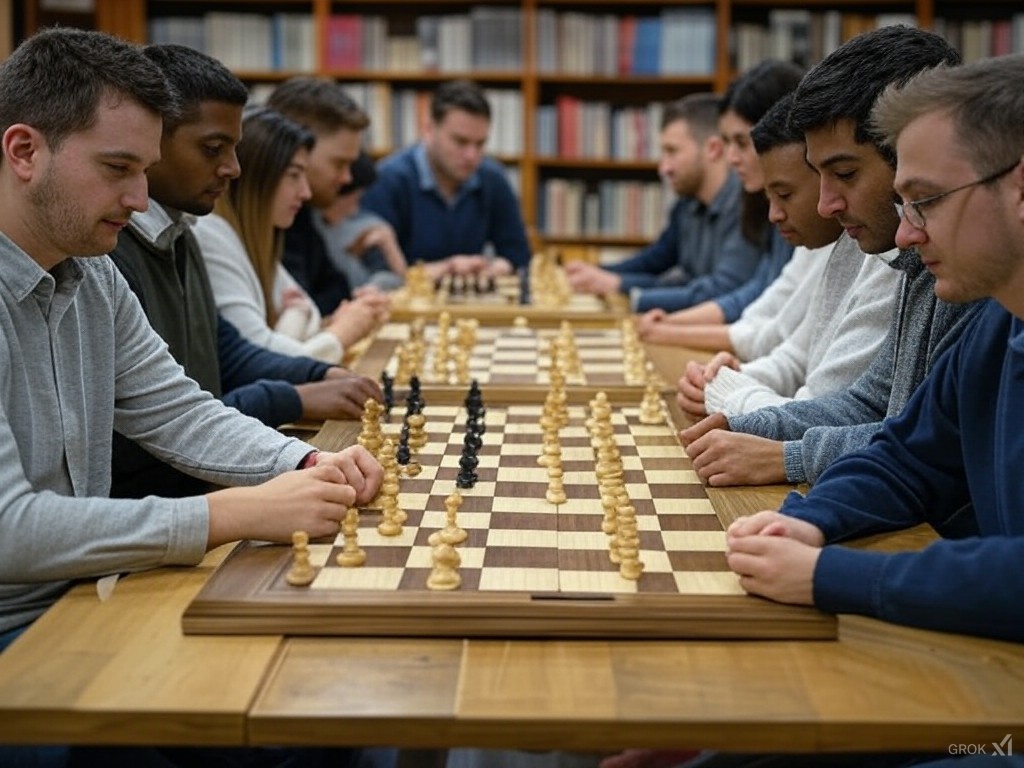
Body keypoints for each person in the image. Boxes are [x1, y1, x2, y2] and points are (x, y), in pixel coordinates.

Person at [0, 27, 381, 768]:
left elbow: (177, 409)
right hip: (20, 641)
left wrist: (300, 462)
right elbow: (10, 528)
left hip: (87, 598)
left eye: (144, 168)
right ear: (23, 152)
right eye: (118, 168)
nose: (140, 198)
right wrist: (229, 512)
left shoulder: (94, 273)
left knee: (326, 706)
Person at [704, 54, 1024, 768]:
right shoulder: (998, 322)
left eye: (927, 201)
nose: (907, 234)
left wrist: (829, 577)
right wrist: (807, 518)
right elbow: (908, 454)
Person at [680, 25, 983, 488]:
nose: (826, 205)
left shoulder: (956, 265)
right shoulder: (913, 255)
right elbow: (873, 407)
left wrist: (788, 456)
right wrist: (746, 428)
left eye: (844, 173)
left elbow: (933, 453)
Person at [110, 44, 381, 500]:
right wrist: (296, 397)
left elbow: (225, 351)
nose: (233, 169)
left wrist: (317, 372)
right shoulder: (113, 254)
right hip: (168, 502)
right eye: (214, 149)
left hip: (195, 491)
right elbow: (160, 427)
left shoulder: (182, 235)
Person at [674, 93, 899, 418]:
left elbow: (823, 413)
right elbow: (795, 357)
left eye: (845, 174)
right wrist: (734, 378)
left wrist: (729, 393)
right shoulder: (848, 243)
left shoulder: (884, 246)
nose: (827, 204)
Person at [196, 107, 384, 365]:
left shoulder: (259, 239)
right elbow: (263, 359)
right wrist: (342, 332)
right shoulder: (211, 236)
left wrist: (313, 321)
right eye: (294, 176)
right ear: (257, 177)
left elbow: (310, 313)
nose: (305, 193)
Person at [564, 93, 762, 313]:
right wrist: (597, 274)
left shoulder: (747, 204)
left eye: (672, 152)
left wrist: (619, 286)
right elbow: (654, 261)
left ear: (713, 149)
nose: (663, 168)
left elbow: (721, 290)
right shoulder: (687, 203)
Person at [362, 78, 531, 281]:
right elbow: (376, 271)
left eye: (480, 144)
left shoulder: (493, 178)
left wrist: (495, 269)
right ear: (429, 129)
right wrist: (448, 270)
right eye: (460, 142)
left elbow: (519, 256)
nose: (472, 156)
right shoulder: (388, 179)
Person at [265, 76, 391, 323]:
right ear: (295, 149)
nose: (347, 178)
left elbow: (337, 289)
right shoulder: (272, 218)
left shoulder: (303, 213)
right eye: (339, 163)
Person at [315, 150, 407, 291]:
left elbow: (392, 276)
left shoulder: (364, 226)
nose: (355, 209)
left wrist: (374, 287)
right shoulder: (309, 225)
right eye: (353, 200)